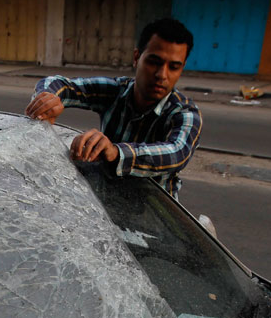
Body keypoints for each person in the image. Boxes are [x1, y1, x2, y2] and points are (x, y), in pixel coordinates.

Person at [25, 18, 201, 201]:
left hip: (155, 215)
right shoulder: (116, 90)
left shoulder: (185, 113)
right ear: (136, 58)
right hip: (107, 205)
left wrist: (115, 152)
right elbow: (57, 83)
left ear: (182, 69)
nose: (161, 75)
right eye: (154, 62)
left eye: (173, 67)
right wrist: (47, 99)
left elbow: (176, 153)